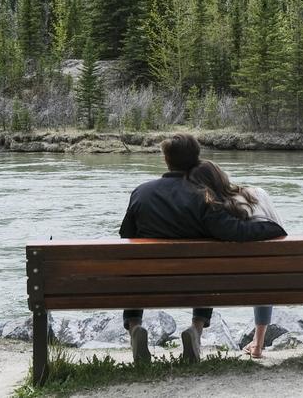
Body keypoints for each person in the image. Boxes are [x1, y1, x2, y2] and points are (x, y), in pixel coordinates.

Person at [118, 133, 285, 365]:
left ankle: (135, 325)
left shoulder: (141, 192)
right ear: (196, 159)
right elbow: (234, 232)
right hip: (196, 281)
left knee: (134, 265)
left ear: (166, 159)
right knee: (207, 267)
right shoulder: (205, 197)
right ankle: (196, 329)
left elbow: (126, 235)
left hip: (148, 281)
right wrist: (271, 228)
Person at [187, 160, 283, 359]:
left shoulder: (212, 208)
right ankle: (258, 343)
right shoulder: (258, 193)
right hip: (273, 277)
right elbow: (281, 231)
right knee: (264, 268)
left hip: (224, 283)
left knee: (207, 270)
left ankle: (196, 329)